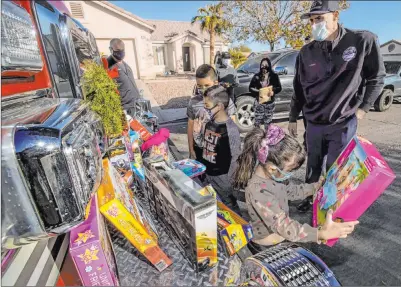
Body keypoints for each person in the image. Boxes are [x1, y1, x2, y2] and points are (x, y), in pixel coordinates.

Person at [288, 0, 385, 212]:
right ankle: (310, 197)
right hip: (313, 122)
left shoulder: (361, 41)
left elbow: (376, 78)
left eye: (319, 18)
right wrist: (293, 116)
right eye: (312, 20)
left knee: (336, 169)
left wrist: (363, 109)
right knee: (313, 166)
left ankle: (330, 207)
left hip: (342, 122)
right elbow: (299, 87)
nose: (315, 24)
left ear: (336, 16)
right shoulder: (306, 52)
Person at [232, 125, 359, 253]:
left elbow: (291, 191)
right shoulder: (258, 191)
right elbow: (282, 225)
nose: (291, 175)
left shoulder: (274, 177)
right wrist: (320, 234)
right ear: (272, 169)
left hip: (281, 239)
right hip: (265, 249)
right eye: (290, 171)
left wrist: (314, 187)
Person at [201, 85, 241, 211]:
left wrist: (230, 182)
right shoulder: (209, 123)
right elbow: (206, 145)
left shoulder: (231, 129)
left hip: (223, 179)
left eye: (207, 106)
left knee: (230, 209)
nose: (204, 109)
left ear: (219, 106)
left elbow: (236, 157)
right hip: (207, 175)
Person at [187, 64, 236, 161]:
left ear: (215, 83)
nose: (203, 89)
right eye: (199, 86)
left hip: (219, 150)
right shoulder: (193, 102)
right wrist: (191, 149)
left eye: (207, 85)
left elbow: (232, 125)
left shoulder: (225, 100)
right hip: (200, 149)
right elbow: (190, 126)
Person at [107, 38, 141, 114]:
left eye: (123, 50)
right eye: (118, 50)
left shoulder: (125, 65)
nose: (121, 52)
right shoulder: (109, 66)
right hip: (125, 109)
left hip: (136, 104)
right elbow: (109, 89)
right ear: (111, 49)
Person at [249, 57, 282, 128]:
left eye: (266, 64)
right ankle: (257, 137)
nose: (264, 66)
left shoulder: (274, 76)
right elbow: (250, 88)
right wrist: (259, 92)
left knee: (268, 123)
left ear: (269, 65)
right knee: (257, 123)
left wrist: (273, 91)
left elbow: (279, 88)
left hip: (270, 104)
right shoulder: (256, 76)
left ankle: (267, 137)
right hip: (259, 103)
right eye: (262, 65)